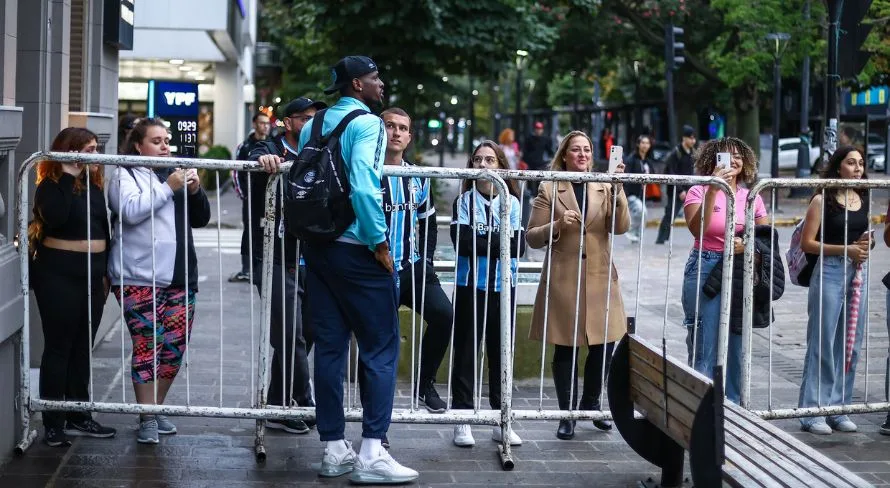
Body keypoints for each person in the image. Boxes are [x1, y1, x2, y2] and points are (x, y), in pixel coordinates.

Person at [296, 55, 418, 483]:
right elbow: (366, 184)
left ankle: (333, 449)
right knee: (381, 348)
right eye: (374, 77)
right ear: (356, 84)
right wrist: (380, 242)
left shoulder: (315, 123)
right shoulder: (366, 124)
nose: (380, 83)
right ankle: (371, 452)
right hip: (355, 247)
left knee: (329, 348)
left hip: (318, 247)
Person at [107, 118, 210, 444]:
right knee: (147, 345)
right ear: (137, 145)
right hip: (140, 277)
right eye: (157, 141)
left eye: (167, 140)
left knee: (174, 348)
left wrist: (194, 190)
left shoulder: (175, 173)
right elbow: (131, 211)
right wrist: (170, 187)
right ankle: (148, 415)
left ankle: (152, 408)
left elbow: (201, 218)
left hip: (181, 275)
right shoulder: (124, 173)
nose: (166, 146)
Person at [526, 130, 629, 440]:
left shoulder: (604, 184)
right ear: (565, 155)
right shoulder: (551, 187)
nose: (582, 155)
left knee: (604, 346)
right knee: (566, 348)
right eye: (575, 150)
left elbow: (621, 227)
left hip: (599, 277)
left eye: (587, 149)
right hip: (565, 278)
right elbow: (531, 235)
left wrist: (618, 188)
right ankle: (566, 413)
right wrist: (557, 226)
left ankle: (591, 404)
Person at [28, 128, 117, 447]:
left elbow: (102, 227)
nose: (94, 156)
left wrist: (106, 271)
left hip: (93, 276)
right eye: (87, 150)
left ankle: (79, 414)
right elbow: (56, 217)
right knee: (59, 347)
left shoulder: (94, 186)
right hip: (58, 274)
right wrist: (67, 171)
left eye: (96, 149)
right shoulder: (50, 185)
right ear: (69, 152)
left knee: (83, 348)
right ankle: (53, 421)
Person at [250, 97, 326, 435]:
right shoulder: (270, 148)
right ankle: (305, 400)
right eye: (304, 118)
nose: (311, 123)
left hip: (311, 257)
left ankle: (277, 402)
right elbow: (251, 159)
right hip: (276, 256)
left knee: (305, 331)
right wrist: (263, 159)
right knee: (289, 331)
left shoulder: (320, 152)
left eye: (315, 118)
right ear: (288, 122)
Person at [450, 141, 525, 448]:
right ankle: (462, 418)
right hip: (471, 286)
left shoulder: (513, 203)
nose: (483, 165)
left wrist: (484, 239)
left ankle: (500, 419)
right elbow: (463, 242)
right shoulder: (464, 201)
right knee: (467, 352)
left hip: (503, 286)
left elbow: (518, 246)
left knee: (500, 353)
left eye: (490, 160)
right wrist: (496, 240)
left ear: (500, 166)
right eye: (478, 159)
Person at [681, 137, 768, 403]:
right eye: (726, 156)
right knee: (705, 343)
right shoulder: (699, 190)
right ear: (713, 160)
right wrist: (714, 190)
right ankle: (700, 410)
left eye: (738, 156)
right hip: (706, 265)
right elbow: (698, 229)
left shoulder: (752, 196)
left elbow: (765, 236)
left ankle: (732, 408)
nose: (733, 161)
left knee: (736, 342)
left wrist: (748, 244)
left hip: (740, 269)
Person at [379, 107, 451, 414]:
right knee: (381, 341)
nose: (396, 132)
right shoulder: (367, 172)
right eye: (390, 126)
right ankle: (377, 412)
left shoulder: (417, 176)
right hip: (377, 271)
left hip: (413, 267)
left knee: (444, 316)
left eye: (402, 128)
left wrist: (427, 263)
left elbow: (429, 223)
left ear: (409, 137)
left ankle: (425, 385)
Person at [798, 146, 871, 435]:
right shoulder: (822, 199)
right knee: (823, 341)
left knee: (850, 343)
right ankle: (812, 410)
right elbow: (808, 244)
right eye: (851, 163)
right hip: (829, 270)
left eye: (861, 164)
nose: (857, 169)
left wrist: (865, 245)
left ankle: (839, 408)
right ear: (838, 166)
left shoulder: (863, 196)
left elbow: (861, 236)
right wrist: (847, 249)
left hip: (856, 272)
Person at [229, 112, 272, 283]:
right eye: (262, 123)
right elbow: (236, 172)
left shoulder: (272, 144)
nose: (265, 126)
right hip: (251, 198)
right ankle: (246, 269)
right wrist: (243, 194)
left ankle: (264, 268)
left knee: (269, 231)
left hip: (269, 198)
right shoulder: (245, 146)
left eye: (267, 123)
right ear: (254, 124)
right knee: (249, 232)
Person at [656, 125, 696, 244]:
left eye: (694, 138)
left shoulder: (692, 152)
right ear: (684, 138)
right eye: (691, 138)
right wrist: (680, 190)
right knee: (670, 214)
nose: (693, 141)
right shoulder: (676, 153)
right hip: (675, 190)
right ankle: (661, 239)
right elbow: (670, 171)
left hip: (688, 189)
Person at [623, 135, 653, 243]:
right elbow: (626, 177)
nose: (645, 145)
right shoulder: (631, 159)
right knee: (641, 211)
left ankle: (637, 237)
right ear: (638, 144)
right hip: (631, 193)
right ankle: (630, 231)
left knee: (643, 215)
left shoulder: (647, 161)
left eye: (647, 143)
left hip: (642, 194)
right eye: (643, 143)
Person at [523, 121, 554, 195]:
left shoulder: (545, 140)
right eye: (537, 128)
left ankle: (538, 196)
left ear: (542, 130)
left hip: (540, 164)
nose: (538, 130)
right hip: (530, 164)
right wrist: (525, 162)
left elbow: (550, 151)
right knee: (530, 182)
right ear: (534, 129)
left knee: (539, 183)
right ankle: (531, 196)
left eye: (540, 129)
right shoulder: (529, 139)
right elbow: (525, 151)